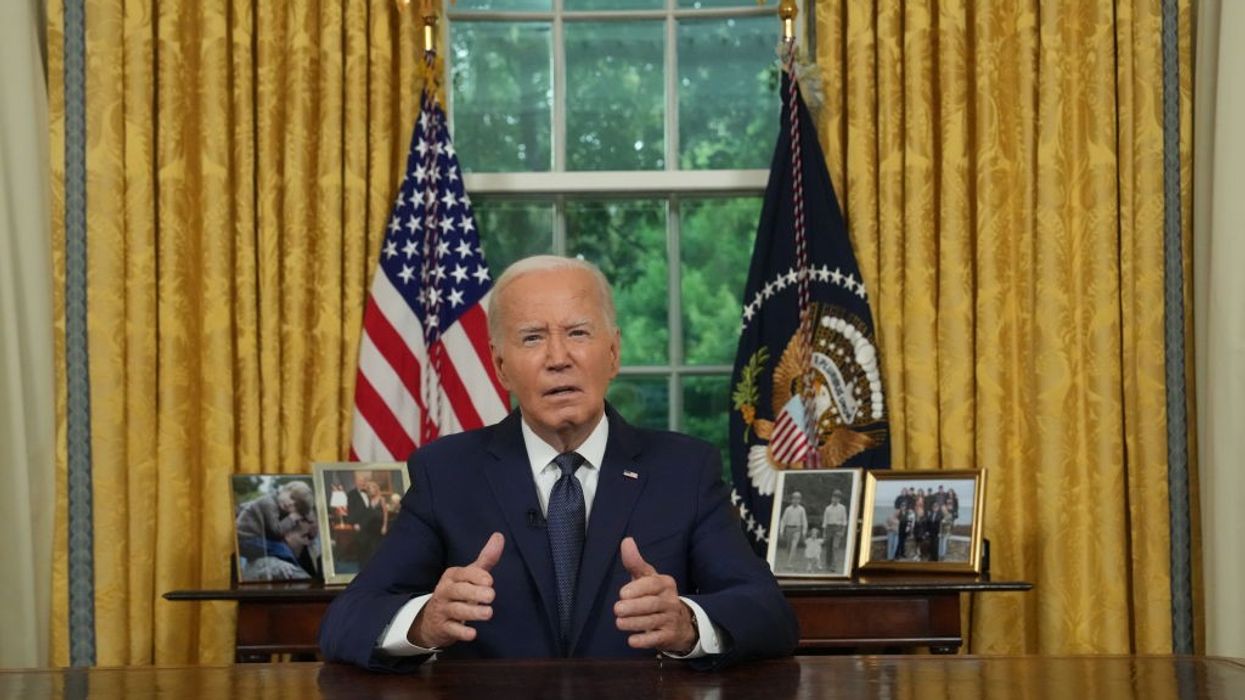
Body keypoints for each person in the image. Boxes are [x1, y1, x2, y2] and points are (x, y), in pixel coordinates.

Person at [318, 255, 798, 671]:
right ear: (500, 366)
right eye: (532, 338)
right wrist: (425, 621)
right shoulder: (445, 473)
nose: (558, 358)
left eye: (578, 333)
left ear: (613, 353)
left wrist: (688, 624)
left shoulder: (685, 470)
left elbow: (769, 614)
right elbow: (345, 621)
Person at [234, 480, 318, 580]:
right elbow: (277, 531)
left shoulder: (276, 505)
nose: (290, 503)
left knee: (278, 548)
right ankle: (295, 568)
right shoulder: (268, 503)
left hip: (251, 541)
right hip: (246, 539)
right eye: (292, 497)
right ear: (284, 490)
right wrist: (292, 518)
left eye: (296, 506)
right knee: (281, 549)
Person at [778, 491, 808, 567]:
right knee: (788, 547)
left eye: (797, 499)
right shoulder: (788, 509)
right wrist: (781, 531)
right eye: (794, 499)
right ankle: (788, 559)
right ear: (792, 499)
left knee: (794, 546)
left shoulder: (801, 509)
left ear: (800, 500)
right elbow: (783, 520)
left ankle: (789, 563)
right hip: (789, 529)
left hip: (797, 529)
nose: (795, 500)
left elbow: (804, 521)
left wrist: (804, 532)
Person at [820, 490, 848, 571]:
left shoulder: (842, 508)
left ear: (839, 499)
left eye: (837, 498)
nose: (835, 499)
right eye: (834, 497)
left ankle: (833, 566)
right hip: (829, 528)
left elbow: (844, 521)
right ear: (831, 498)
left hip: (838, 528)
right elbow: (825, 521)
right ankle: (827, 565)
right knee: (828, 548)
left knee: (835, 547)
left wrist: (843, 531)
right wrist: (824, 533)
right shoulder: (828, 508)